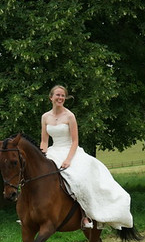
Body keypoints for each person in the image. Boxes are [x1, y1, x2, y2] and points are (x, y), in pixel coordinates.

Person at [40, 85, 135, 230]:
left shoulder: (69, 116)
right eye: (57, 95)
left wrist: (68, 160)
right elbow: (44, 141)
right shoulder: (45, 117)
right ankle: (37, 214)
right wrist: (43, 155)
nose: (60, 98)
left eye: (63, 96)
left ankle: (86, 215)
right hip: (53, 152)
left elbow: (75, 141)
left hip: (70, 151)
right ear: (51, 97)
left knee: (77, 179)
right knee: (41, 178)